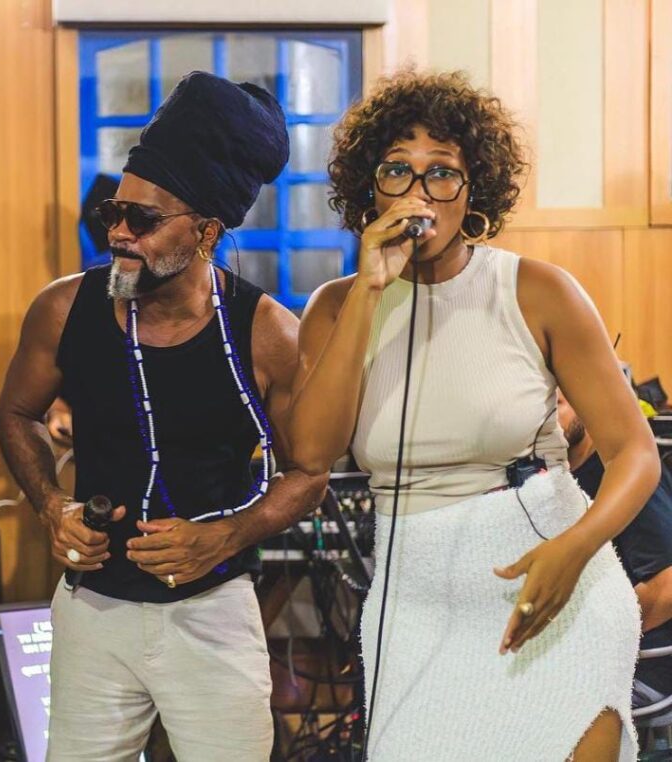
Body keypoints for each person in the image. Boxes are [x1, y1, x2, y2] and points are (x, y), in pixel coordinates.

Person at [288, 70, 659, 760]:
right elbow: (311, 452)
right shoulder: (337, 307)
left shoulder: (538, 291)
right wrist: (370, 291)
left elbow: (635, 453)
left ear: (473, 189)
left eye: (442, 172)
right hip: (414, 607)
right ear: (370, 189)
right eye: (397, 170)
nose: (419, 191)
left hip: (557, 588)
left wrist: (575, 549)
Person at [0, 71, 327, 762]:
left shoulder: (266, 332)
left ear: (206, 231)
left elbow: (309, 471)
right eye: (114, 214)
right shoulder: (63, 308)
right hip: (92, 611)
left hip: (213, 613)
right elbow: (17, 413)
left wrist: (227, 535)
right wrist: (51, 505)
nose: (119, 234)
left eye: (142, 221)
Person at [559, 389, 672, 712]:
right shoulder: (560, 480)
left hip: (645, 663)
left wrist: (587, 642)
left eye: (558, 403)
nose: (546, 417)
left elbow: (666, 588)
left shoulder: (625, 475)